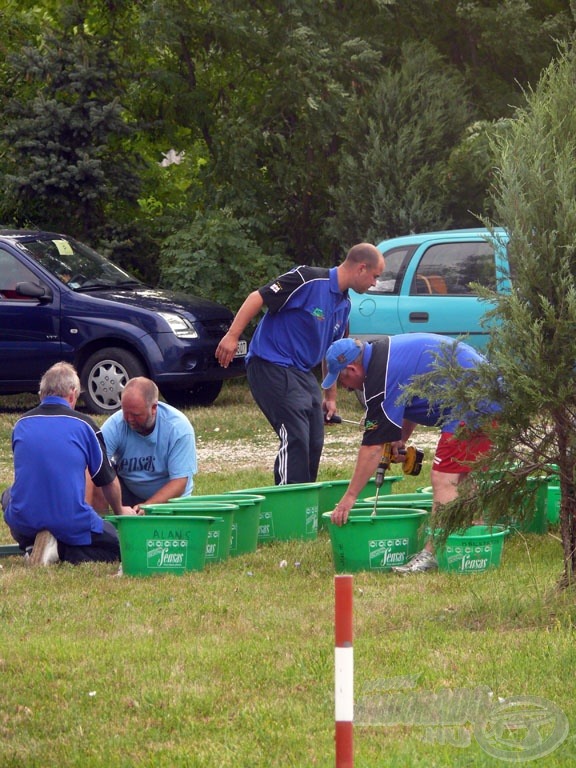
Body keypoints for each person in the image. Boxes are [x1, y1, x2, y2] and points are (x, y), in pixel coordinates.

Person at [322, 333, 499, 574]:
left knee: (444, 478)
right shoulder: (384, 354)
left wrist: (350, 497)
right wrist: (401, 438)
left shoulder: (379, 377)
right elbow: (410, 398)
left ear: (352, 369)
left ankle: (433, 555)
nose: (344, 387)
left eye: (342, 381)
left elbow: (372, 448)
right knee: (463, 476)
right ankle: (473, 545)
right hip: (489, 394)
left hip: (474, 403)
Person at [215, 244, 385, 485]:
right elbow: (258, 297)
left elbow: (334, 354)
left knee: (314, 440)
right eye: (375, 276)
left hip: (301, 372)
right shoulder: (308, 279)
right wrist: (232, 336)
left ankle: (304, 504)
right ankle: (287, 506)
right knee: (296, 436)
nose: (375, 283)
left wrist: (330, 397)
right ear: (361, 268)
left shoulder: (344, 306)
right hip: (270, 363)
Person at [1, 362, 135, 566]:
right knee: (121, 547)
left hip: (24, 519)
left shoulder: (20, 425)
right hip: (70, 519)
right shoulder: (84, 425)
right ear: (72, 394)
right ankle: (61, 550)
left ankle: (31, 544)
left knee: (7, 495)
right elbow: (106, 480)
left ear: (41, 395)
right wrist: (119, 510)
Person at [89, 377, 197, 512]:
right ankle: (102, 526)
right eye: (125, 412)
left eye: (135, 414)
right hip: (129, 494)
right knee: (101, 472)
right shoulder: (115, 425)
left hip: (172, 501)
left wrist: (148, 506)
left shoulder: (178, 428)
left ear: (153, 408)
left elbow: (179, 483)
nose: (128, 419)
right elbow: (95, 467)